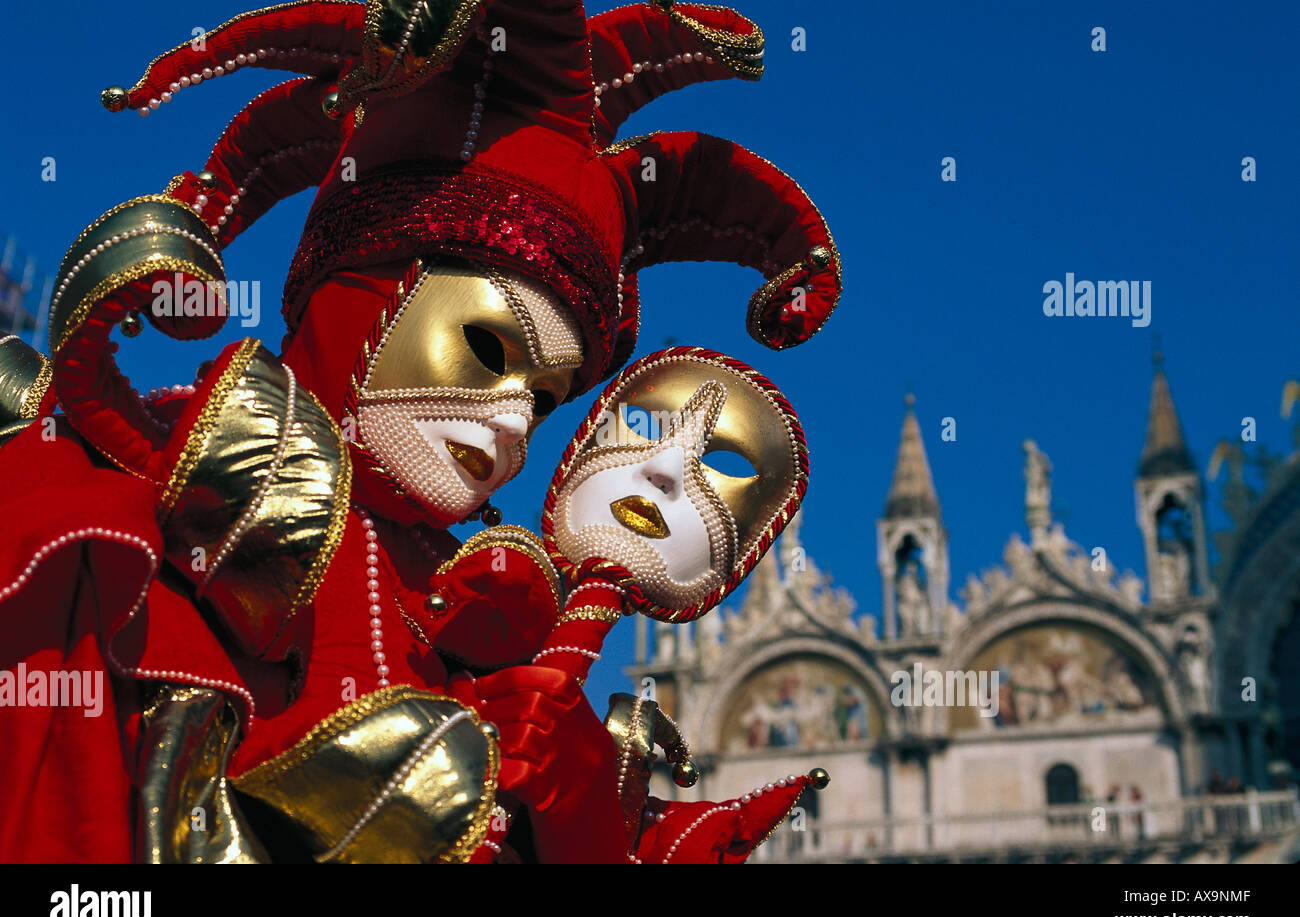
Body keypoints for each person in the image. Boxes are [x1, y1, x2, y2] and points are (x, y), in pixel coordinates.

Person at [0, 0, 843, 863]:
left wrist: (574, 802)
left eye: (547, 400)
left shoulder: (483, 630)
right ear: (362, 295)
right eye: (487, 347)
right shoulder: (101, 528)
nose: (515, 420)